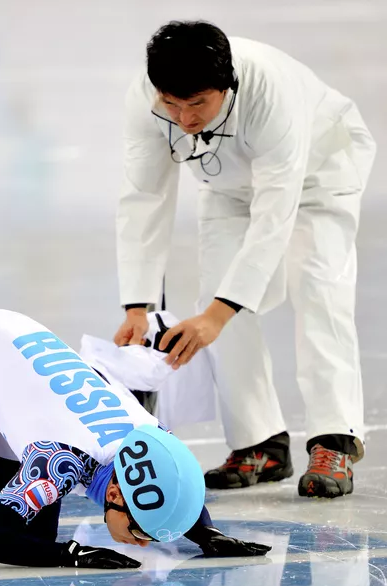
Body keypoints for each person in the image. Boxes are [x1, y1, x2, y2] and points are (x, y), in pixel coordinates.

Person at [114, 20, 376, 499]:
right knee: (212, 297)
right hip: (228, 187)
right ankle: (260, 444)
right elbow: (144, 198)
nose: (184, 118)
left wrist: (219, 315)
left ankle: (334, 441)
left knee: (318, 288)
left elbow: (275, 216)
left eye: (197, 104)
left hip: (319, 173)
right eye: (172, 104)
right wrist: (137, 307)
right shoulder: (146, 99)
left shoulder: (271, 92)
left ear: (227, 85)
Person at [0, 309, 270, 567]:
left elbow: (172, 477)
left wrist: (206, 533)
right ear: (115, 493)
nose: (144, 543)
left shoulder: (151, 439)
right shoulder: (60, 460)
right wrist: (71, 555)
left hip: (5, 338)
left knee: (32, 530)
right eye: (141, 530)